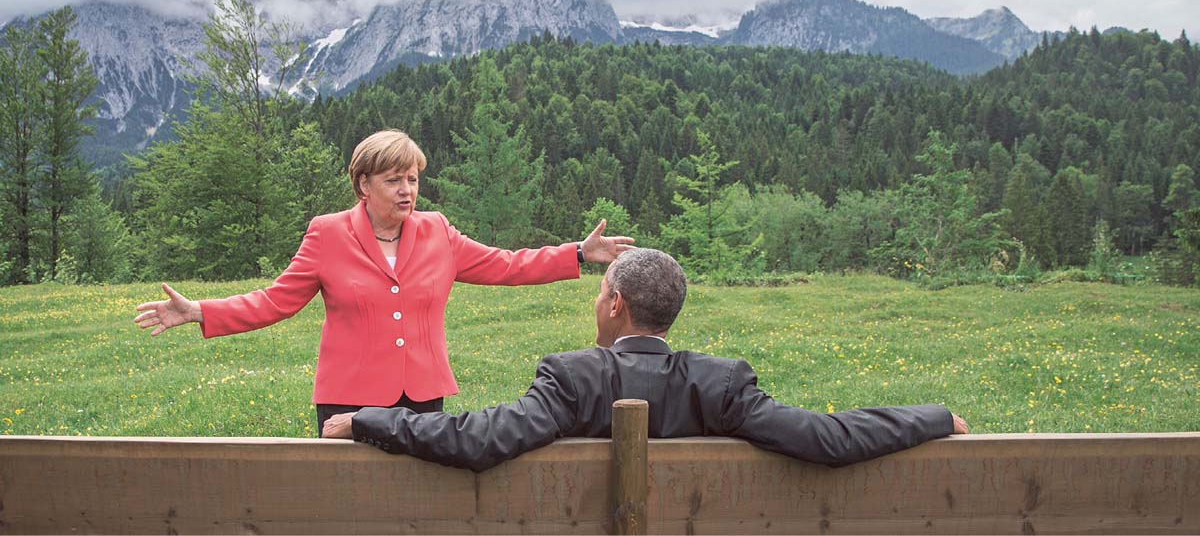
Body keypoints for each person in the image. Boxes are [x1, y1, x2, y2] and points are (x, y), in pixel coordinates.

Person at [133, 129, 634, 434]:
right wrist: (200, 310)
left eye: (412, 178)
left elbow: (506, 264)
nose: (407, 189)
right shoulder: (327, 234)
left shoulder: (437, 230)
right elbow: (275, 301)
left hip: (422, 396)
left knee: (417, 505)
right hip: (348, 398)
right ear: (363, 184)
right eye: (394, 179)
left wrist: (576, 254)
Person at [323, 248, 969, 471]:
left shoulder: (570, 377)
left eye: (600, 291)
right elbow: (829, 437)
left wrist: (368, 420)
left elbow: (478, 438)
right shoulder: (721, 384)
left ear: (614, 304)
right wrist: (934, 415)